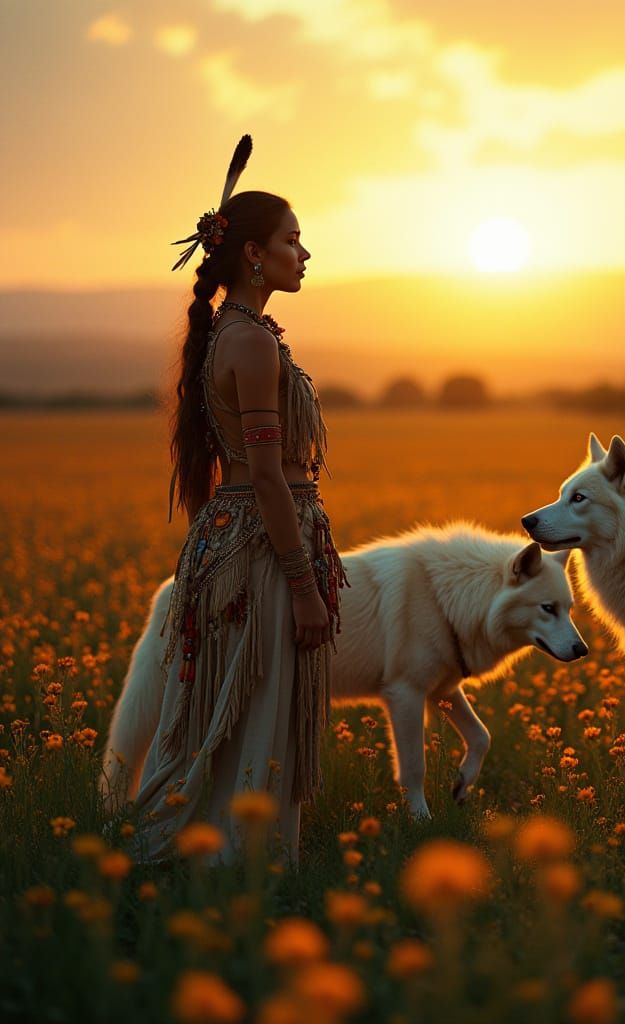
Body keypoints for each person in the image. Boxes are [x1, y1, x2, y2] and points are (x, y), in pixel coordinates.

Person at [131, 136, 348, 863]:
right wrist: (302, 584)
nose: (304, 253)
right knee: (254, 706)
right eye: (293, 240)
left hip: (237, 543)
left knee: (240, 709)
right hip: (258, 550)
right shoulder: (250, 344)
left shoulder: (239, 333)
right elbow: (263, 474)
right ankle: (238, 869)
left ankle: (222, 862)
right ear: (254, 255)